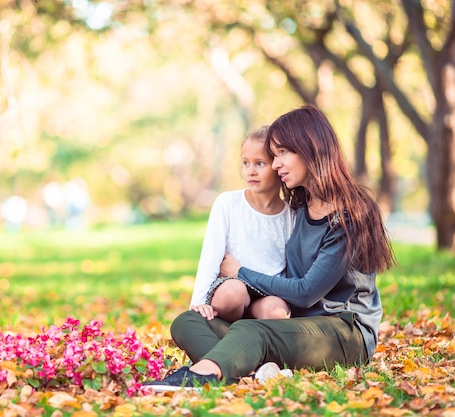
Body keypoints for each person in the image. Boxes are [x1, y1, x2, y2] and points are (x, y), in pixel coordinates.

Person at [145, 104, 395, 391]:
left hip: (344, 331)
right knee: (188, 322)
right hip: (296, 328)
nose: (276, 165)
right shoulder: (301, 206)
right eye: (274, 156)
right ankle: (254, 376)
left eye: (282, 154)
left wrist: (240, 271)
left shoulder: (351, 215)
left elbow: (305, 292)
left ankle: (201, 375)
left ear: (310, 148)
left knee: (253, 331)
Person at [190, 125, 295, 323]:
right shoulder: (227, 203)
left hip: (267, 292)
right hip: (231, 286)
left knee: (277, 311)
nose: (250, 171)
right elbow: (210, 258)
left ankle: (254, 338)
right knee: (234, 292)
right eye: (245, 163)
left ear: (277, 166)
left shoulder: (290, 216)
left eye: (259, 164)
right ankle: (226, 330)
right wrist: (198, 302)